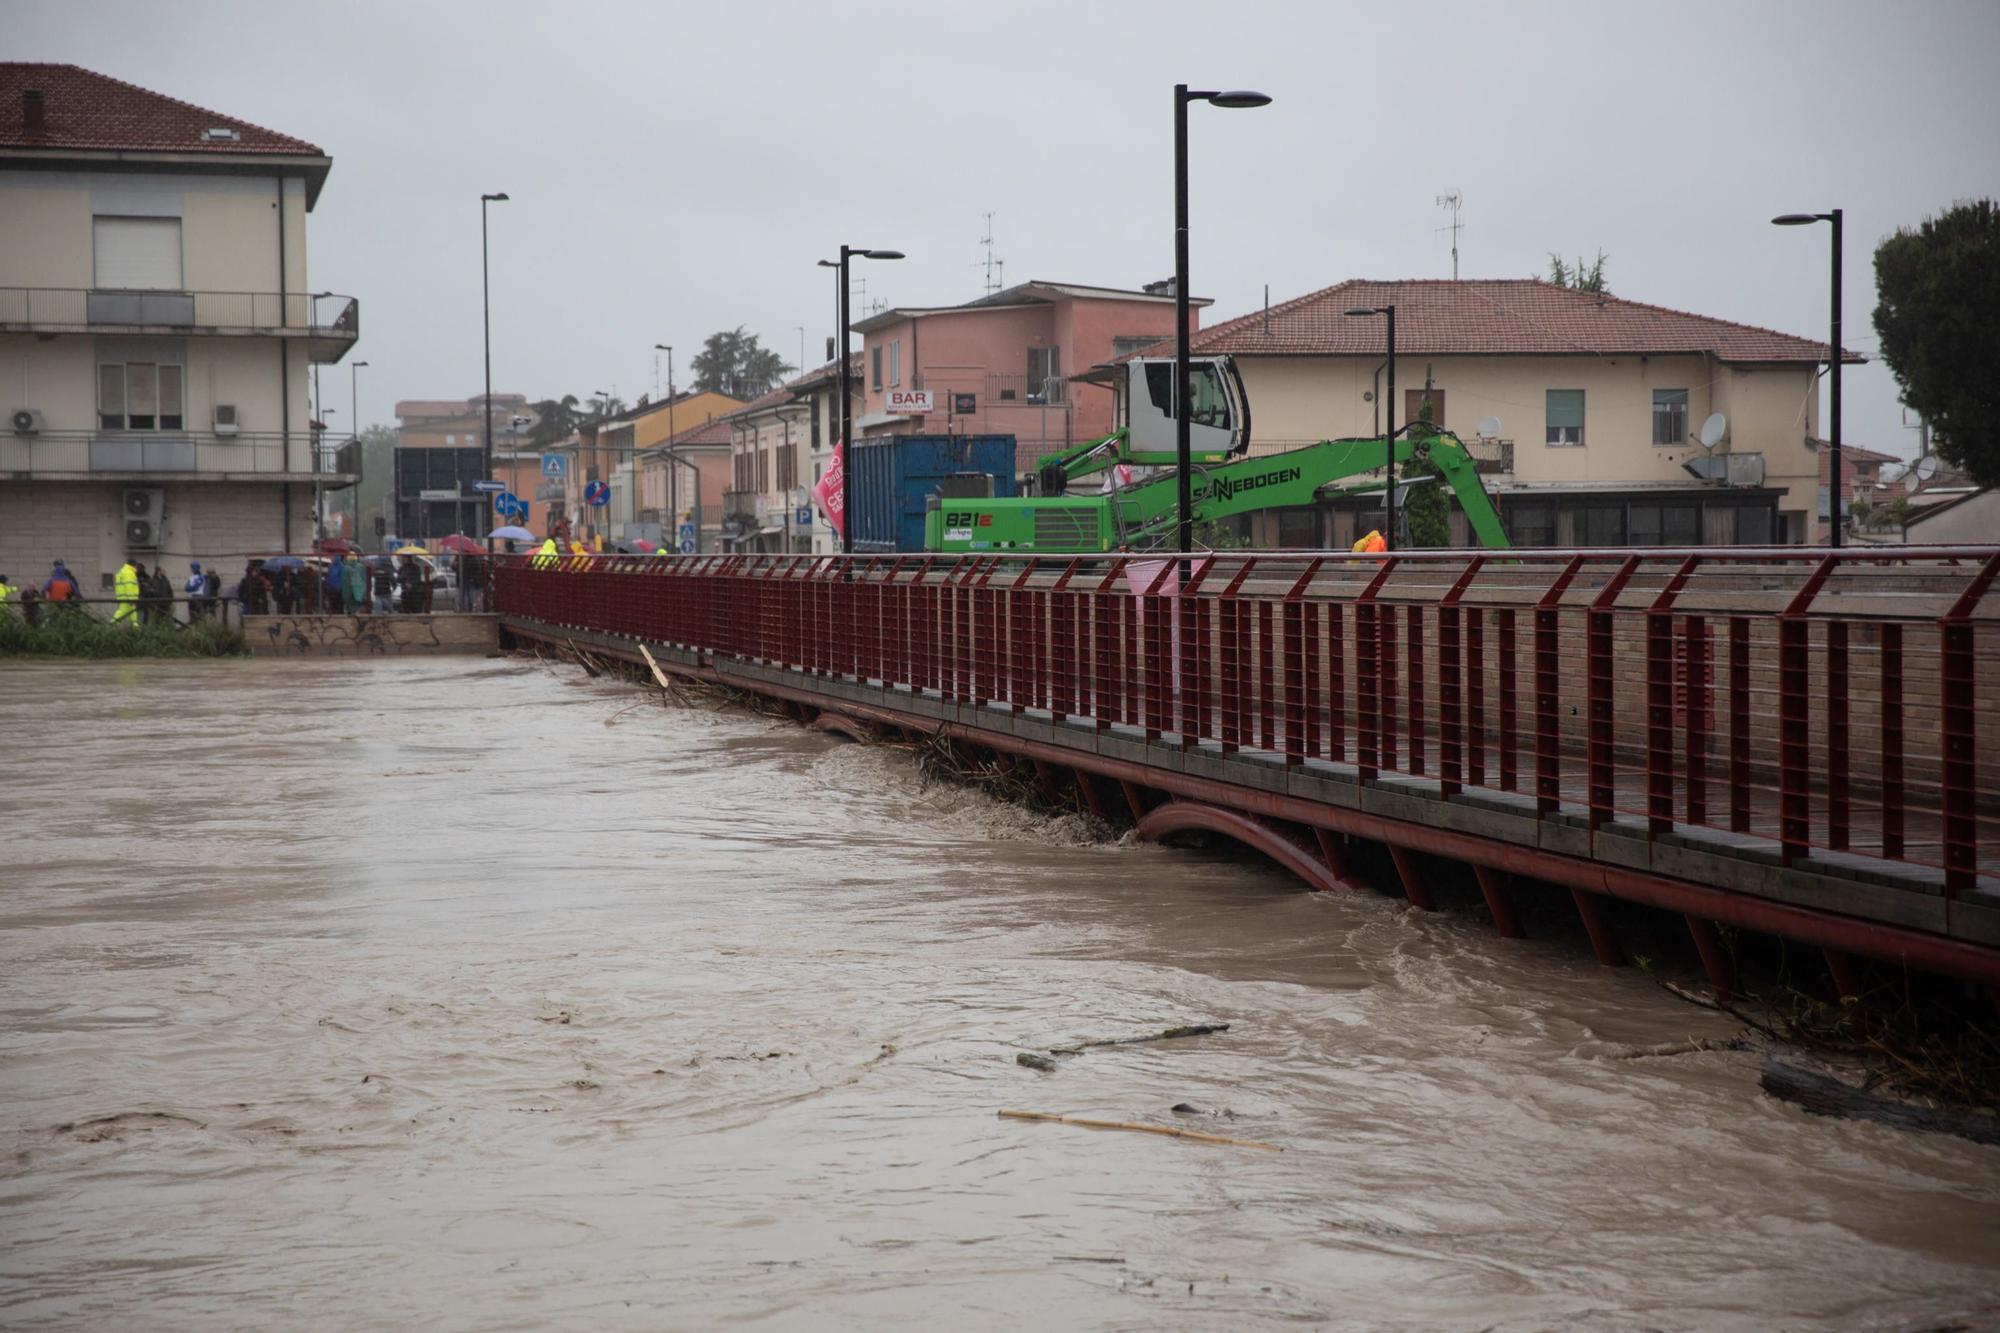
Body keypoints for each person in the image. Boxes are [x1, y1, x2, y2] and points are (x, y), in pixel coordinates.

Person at [113, 555, 142, 626]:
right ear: (133, 565)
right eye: (136, 565)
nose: (137, 567)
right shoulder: (129, 573)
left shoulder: (122, 571)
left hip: (123, 596)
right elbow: (129, 586)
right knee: (123, 612)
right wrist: (132, 599)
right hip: (128, 598)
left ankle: (135, 628)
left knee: (132, 613)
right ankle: (111, 625)